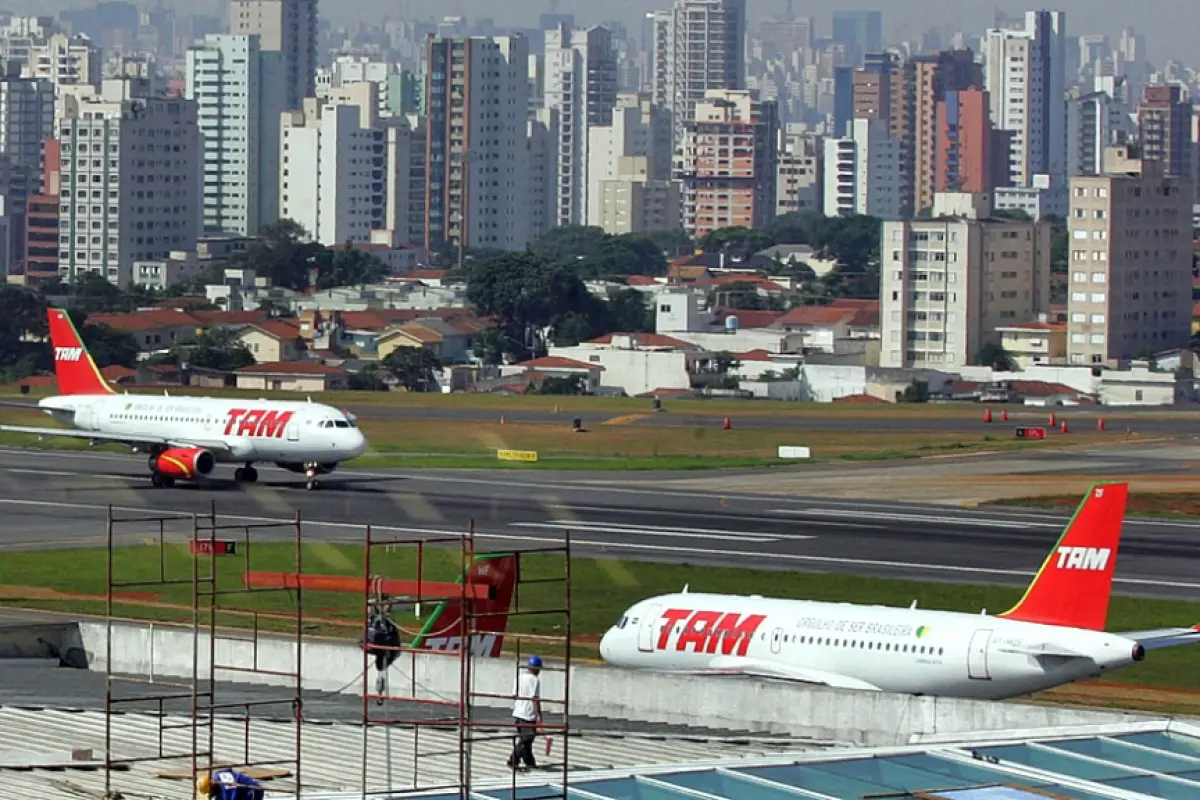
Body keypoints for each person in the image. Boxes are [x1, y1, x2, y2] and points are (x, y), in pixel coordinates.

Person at [506, 655, 543, 771]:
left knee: (527, 740)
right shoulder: (535, 681)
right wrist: (539, 715)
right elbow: (535, 699)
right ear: (537, 669)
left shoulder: (519, 677)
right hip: (528, 714)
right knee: (527, 738)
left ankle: (529, 761)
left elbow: (514, 695)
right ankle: (513, 760)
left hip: (518, 712)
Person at [196, 769, 265, 800]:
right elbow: (229, 770)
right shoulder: (216, 775)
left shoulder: (227, 791)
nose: (210, 795)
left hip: (253, 792)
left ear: (211, 786)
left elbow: (232, 795)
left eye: (209, 792)